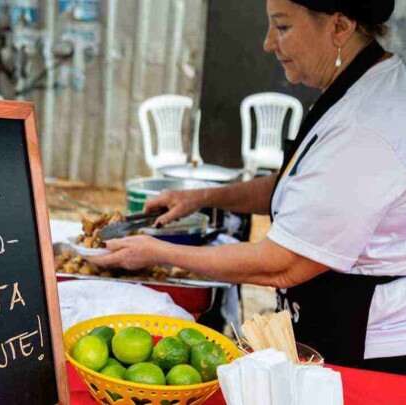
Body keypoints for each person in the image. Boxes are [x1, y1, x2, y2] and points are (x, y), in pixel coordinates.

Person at [91, 0, 406, 374]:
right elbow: (297, 186)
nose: (268, 43)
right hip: (332, 318)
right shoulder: (358, 86)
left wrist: (156, 253)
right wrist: (203, 198)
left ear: (339, 27)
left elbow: (282, 263)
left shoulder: (365, 127)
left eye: (283, 27)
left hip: (367, 348)